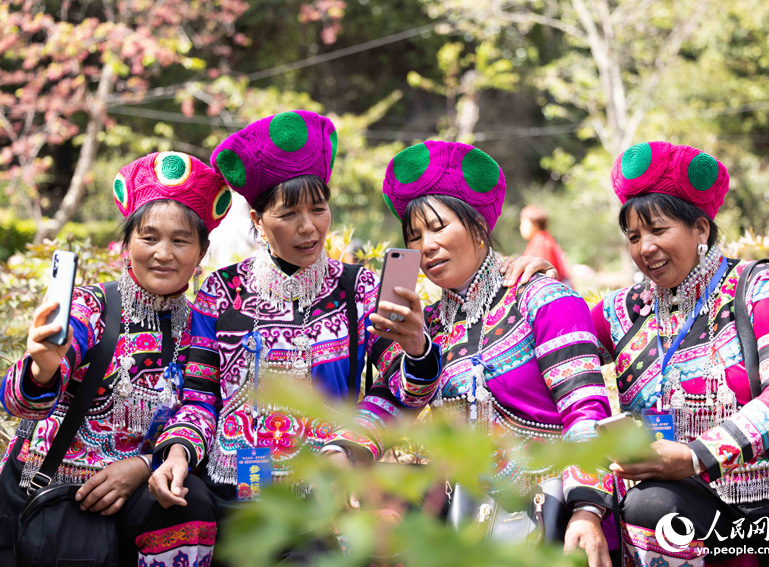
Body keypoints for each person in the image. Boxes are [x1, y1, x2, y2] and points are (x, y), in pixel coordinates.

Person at [146, 113, 550, 556]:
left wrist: (414, 351)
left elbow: (401, 391)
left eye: (318, 209)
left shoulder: (357, 289)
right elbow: (199, 398)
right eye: (289, 213)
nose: (308, 227)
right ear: (259, 221)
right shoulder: (222, 293)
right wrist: (179, 454)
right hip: (235, 489)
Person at [324, 141, 616, 567]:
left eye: (440, 228)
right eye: (414, 236)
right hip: (462, 512)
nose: (426, 246)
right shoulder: (431, 324)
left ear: (479, 226)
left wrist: (587, 512)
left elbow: (586, 411)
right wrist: (343, 450)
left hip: (549, 511)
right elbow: (393, 398)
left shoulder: (544, 299)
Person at [591, 141, 769, 567]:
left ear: (701, 230)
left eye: (658, 230)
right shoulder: (626, 310)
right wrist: (528, 283)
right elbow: (558, 347)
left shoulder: (762, 287)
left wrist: (697, 456)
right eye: (634, 236)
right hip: (692, 511)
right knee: (646, 507)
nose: (645, 248)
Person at [0, 151, 233, 565]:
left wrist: (145, 464)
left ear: (201, 252)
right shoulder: (92, 306)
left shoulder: (202, 322)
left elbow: (200, 409)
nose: (164, 253)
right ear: (127, 244)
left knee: (192, 500)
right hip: (51, 498)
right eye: (149, 237)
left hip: (137, 500)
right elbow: (21, 403)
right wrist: (43, 366)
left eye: (180, 240)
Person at [520, 204, 571, 285]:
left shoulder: (540, 243)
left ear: (534, 223)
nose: (521, 227)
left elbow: (545, 274)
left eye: (523, 222)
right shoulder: (543, 239)